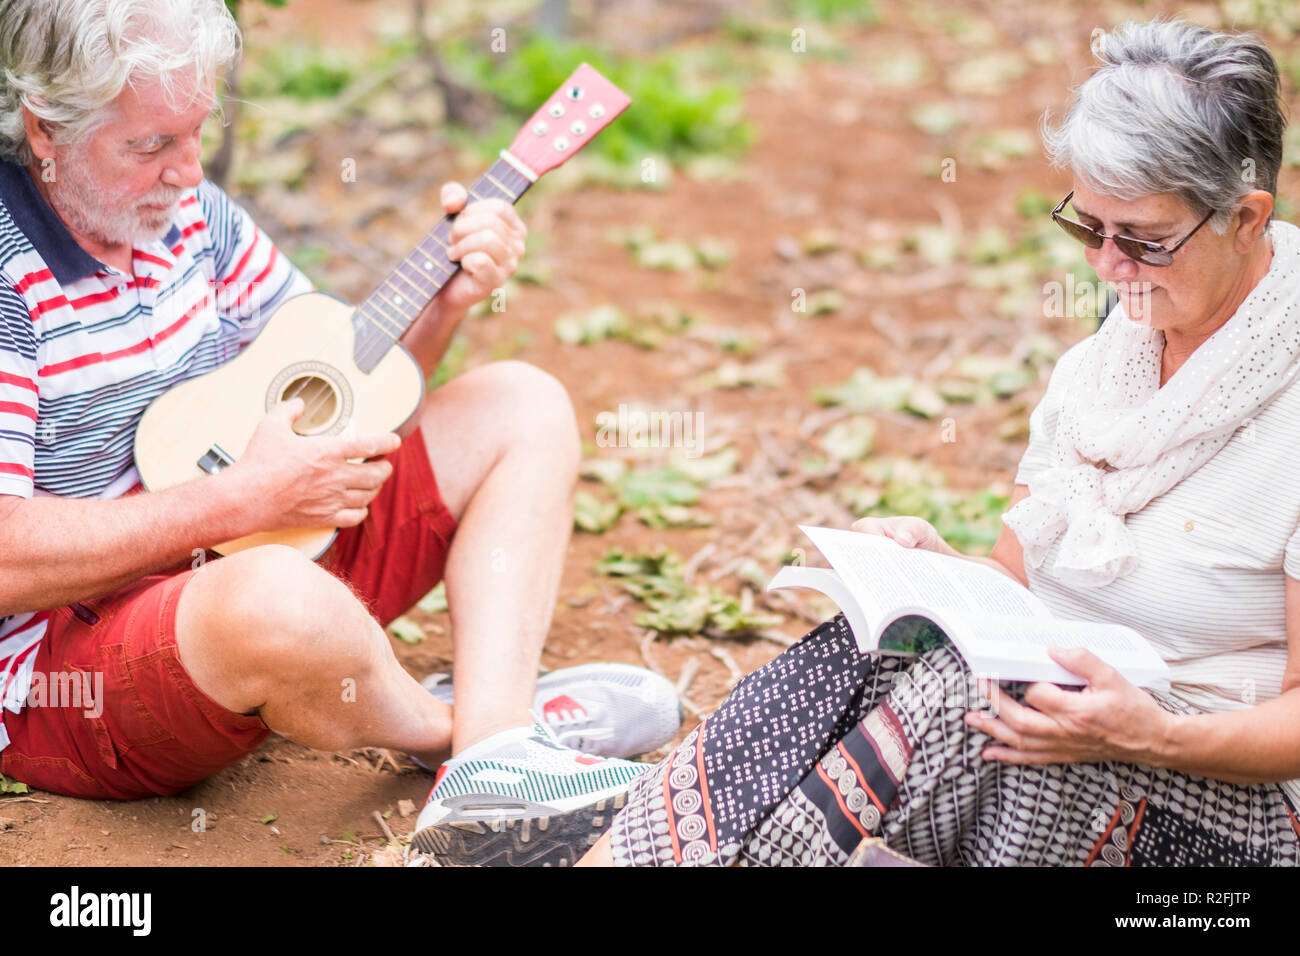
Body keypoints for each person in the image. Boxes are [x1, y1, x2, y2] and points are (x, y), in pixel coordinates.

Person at [578, 17, 1300, 867]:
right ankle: (638, 859)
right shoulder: (1110, 364)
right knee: (868, 651)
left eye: (1142, 240)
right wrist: (934, 570)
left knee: (982, 695)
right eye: (1088, 230)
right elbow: (1015, 586)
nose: (1108, 268)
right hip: (1065, 715)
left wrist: (1153, 736)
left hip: (1230, 802)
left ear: (1248, 217)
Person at [0, 0, 680, 868]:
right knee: (275, 598)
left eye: (197, 133)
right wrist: (235, 500)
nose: (187, 171)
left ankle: (498, 751)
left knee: (523, 401)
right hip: (74, 665)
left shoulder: (197, 218)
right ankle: (466, 727)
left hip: (254, 542)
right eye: (150, 147)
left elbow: (344, 385)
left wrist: (447, 303)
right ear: (46, 130)